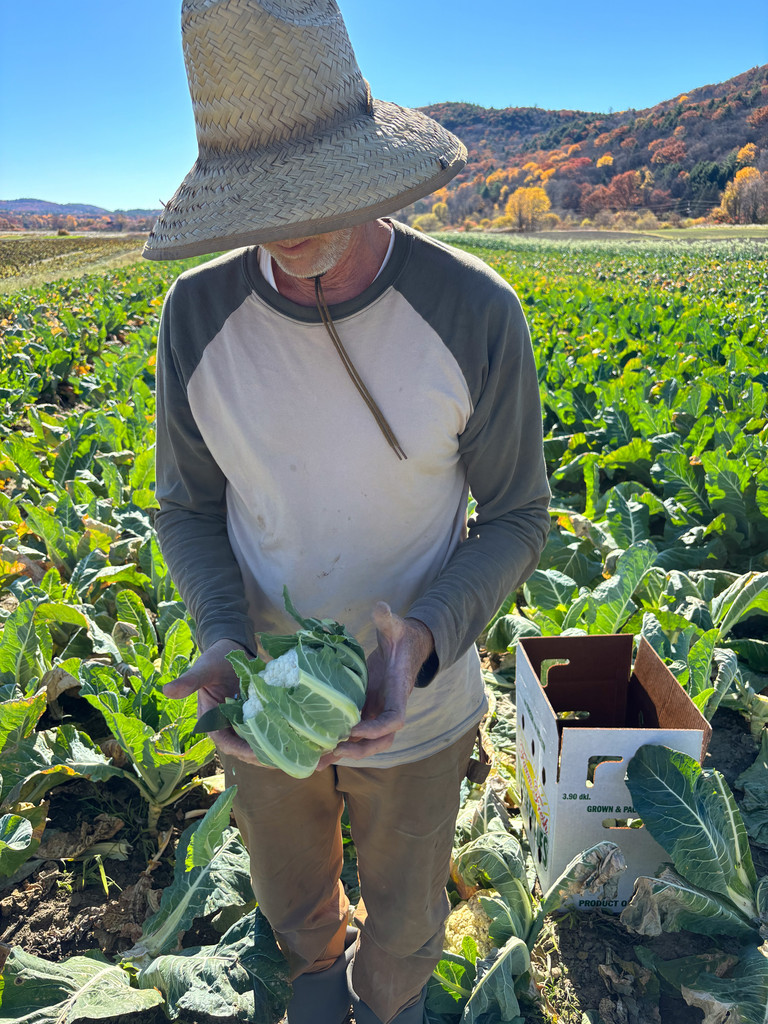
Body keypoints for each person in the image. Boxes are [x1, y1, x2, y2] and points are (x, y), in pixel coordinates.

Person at [144, 2, 550, 1022]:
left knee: (407, 926)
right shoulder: (196, 316)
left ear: (371, 169)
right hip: (266, 706)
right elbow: (187, 508)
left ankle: (388, 998)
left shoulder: (473, 310)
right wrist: (224, 635)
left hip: (423, 705)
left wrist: (425, 637)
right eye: (258, 201)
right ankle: (321, 989)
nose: (286, 227)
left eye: (311, 192)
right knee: (293, 910)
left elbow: (515, 514)